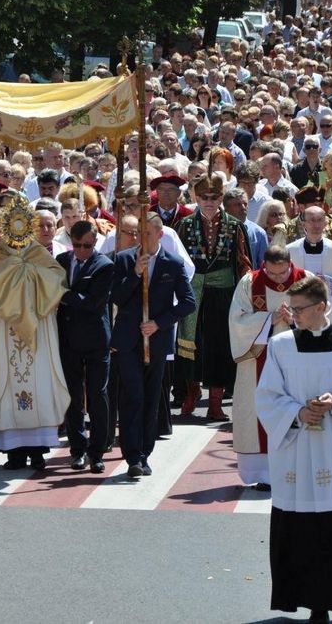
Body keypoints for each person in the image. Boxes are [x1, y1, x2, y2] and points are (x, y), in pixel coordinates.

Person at [255, 275, 332, 623]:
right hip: (296, 450)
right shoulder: (281, 346)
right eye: (292, 309)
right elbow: (266, 397)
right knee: (300, 531)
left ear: (323, 307)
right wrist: (297, 411)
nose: (292, 315)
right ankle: (314, 605)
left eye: (299, 309)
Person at [0, 198, 71, 470]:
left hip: (36, 335)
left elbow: (56, 284)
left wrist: (25, 274)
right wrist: (9, 273)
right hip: (3, 334)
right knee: (7, 385)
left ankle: (38, 449)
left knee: (38, 387)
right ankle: (13, 451)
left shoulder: (41, 257)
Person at [112, 212, 196, 478]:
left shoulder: (172, 263)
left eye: (147, 233)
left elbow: (187, 302)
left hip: (156, 341)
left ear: (160, 234)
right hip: (128, 340)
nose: (141, 238)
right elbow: (116, 296)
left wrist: (160, 323)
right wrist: (135, 274)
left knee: (150, 397)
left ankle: (145, 453)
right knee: (132, 395)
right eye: (138, 232)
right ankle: (132, 455)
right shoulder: (124, 259)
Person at [174, 174, 252, 420]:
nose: (209, 201)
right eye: (204, 197)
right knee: (189, 343)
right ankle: (192, 392)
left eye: (214, 197)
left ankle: (215, 402)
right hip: (192, 292)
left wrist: (245, 294)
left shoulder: (234, 225)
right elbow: (176, 263)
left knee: (219, 345)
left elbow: (244, 263)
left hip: (224, 293)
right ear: (195, 197)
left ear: (221, 198)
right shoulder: (184, 225)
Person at [228, 245, 306, 488]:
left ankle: (299, 469)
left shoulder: (305, 281)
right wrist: (268, 319)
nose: (278, 280)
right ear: (264, 266)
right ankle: (263, 475)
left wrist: (296, 320)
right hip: (257, 360)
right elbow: (236, 320)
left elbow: (322, 315)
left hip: (297, 360)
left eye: (283, 274)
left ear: (290, 265)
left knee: (294, 408)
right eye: (271, 274)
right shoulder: (250, 283)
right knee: (257, 411)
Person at [56, 219, 114, 472]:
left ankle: (98, 450)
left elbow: (92, 303)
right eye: (77, 245)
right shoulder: (61, 261)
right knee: (72, 397)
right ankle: (77, 449)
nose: (82, 251)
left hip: (95, 340)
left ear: (95, 242)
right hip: (68, 339)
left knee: (97, 395)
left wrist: (61, 294)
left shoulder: (104, 265)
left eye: (87, 245)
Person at [285, 205, 332, 327]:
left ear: (326, 223)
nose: (316, 225)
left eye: (320, 220)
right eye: (312, 220)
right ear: (303, 225)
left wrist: (328, 282)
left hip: (329, 313)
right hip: (298, 312)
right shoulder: (289, 251)